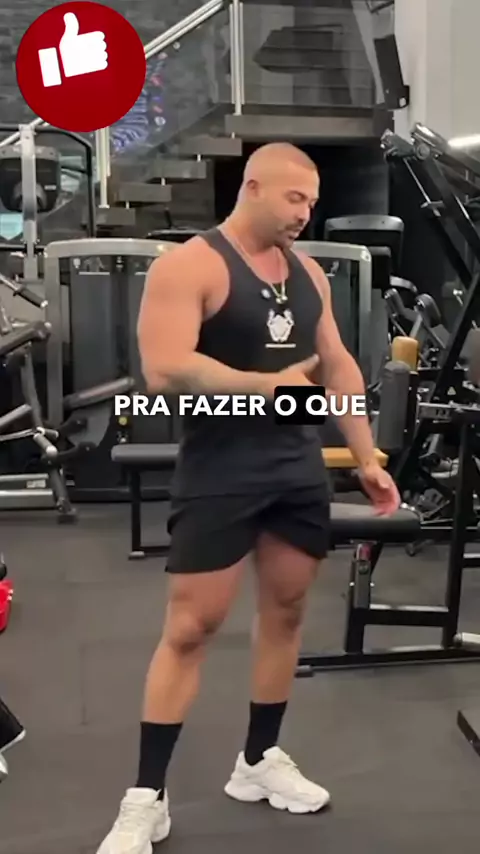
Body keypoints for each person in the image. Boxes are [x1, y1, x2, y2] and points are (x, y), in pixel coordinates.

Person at [96, 142, 400, 854]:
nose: (305, 214)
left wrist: (365, 457)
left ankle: (258, 761)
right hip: (220, 466)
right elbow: (164, 368)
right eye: (295, 199)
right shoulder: (190, 266)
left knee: (286, 614)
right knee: (191, 628)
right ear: (253, 187)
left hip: (296, 466)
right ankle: (146, 797)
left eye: (312, 203)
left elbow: (337, 364)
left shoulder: (309, 274)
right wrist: (264, 387)